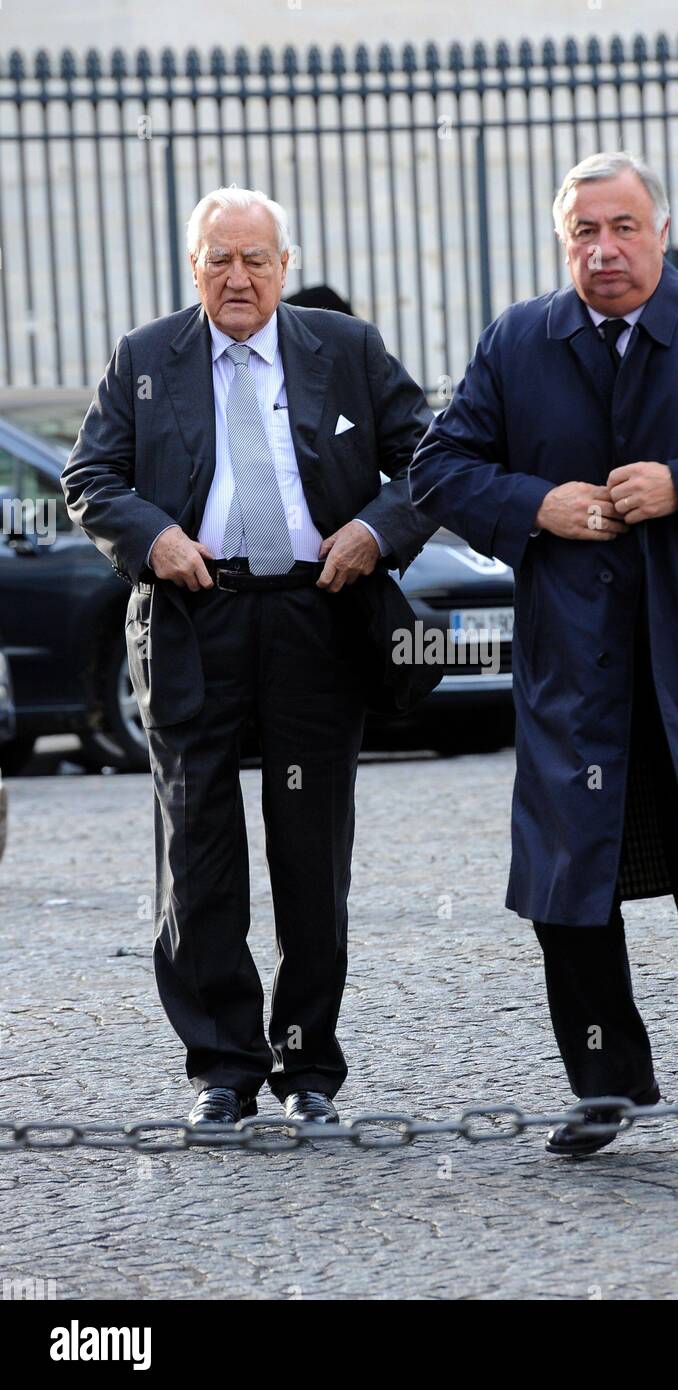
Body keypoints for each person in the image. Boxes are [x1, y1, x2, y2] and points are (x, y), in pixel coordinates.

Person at [409, 151, 678, 1166]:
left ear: (658, 228)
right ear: (562, 242)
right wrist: (538, 504)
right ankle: (606, 1083)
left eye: (622, 227)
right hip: (577, 669)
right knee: (569, 887)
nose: (603, 250)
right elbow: (439, 468)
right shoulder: (519, 338)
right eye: (582, 234)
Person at [62, 186, 435, 1127]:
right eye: (219, 259)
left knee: (312, 854)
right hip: (195, 618)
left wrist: (374, 533)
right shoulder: (147, 358)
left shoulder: (343, 350)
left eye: (255, 259)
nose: (238, 277)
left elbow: (434, 459)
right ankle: (222, 1068)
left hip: (317, 615)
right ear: (194, 267)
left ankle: (309, 1068)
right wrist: (154, 539)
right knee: (199, 852)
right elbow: (89, 476)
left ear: (282, 264)